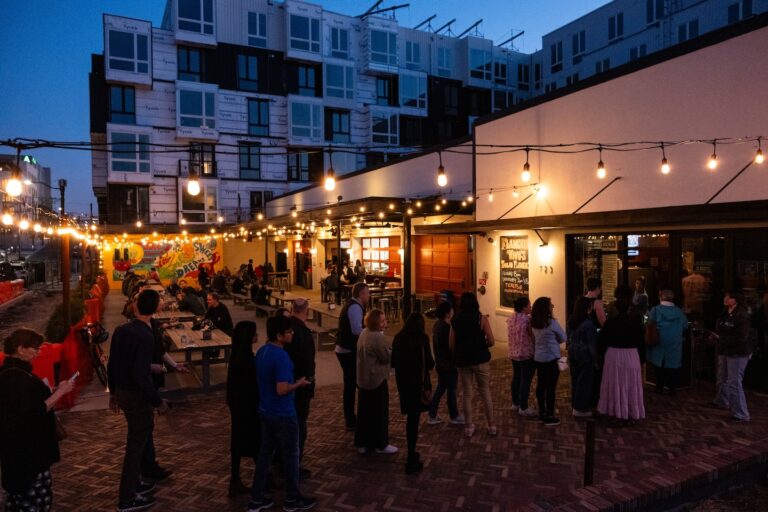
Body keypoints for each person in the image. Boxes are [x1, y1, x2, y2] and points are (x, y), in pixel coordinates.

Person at [108, 289, 170, 512]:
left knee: (137, 441)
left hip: (122, 392)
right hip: (136, 396)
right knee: (135, 447)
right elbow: (140, 375)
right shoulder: (146, 336)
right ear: (155, 309)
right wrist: (158, 401)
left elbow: (113, 363)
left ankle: (136, 484)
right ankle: (127, 498)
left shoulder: (121, 330)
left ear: (136, 306)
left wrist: (113, 393)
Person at [0, 329, 76, 511]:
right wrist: (60, 392)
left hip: (22, 453)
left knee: (22, 501)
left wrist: (54, 389)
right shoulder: (14, 376)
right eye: (35, 348)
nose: (39, 352)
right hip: (27, 454)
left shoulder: (14, 372)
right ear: (21, 349)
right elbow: (32, 411)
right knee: (35, 500)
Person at [248, 315, 315, 512]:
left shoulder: (262, 352)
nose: (292, 333)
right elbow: (282, 389)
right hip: (283, 413)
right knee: (292, 456)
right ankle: (292, 499)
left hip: (266, 410)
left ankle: (256, 498)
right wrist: (299, 384)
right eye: (289, 331)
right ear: (279, 335)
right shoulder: (281, 357)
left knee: (265, 455)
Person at [449, 292, 497, 437]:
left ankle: (469, 427)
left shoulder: (455, 320)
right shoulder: (481, 319)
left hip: (463, 361)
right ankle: (491, 425)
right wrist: (483, 345)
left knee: (467, 393)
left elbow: (451, 345)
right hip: (480, 359)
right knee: (485, 391)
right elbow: (491, 340)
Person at [391, 312, 434, 474]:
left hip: (404, 384)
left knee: (411, 417)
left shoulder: (398, 338)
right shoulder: (422, 339)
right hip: (418, 384)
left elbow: (393, 362)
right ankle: (411, 456)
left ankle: (411, 453)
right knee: (413, 420)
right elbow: (430, 363)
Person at [597, 284, 646, 425]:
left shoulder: (611, 321)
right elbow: (641, 340)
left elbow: (602, 340)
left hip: (614, 354)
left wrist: (600, 355)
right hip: (632, 355)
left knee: (615, 384)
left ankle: (616, 412)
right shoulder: (636, 319)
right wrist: (642, 359)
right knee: (630, 385)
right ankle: (629, 413)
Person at [226, 321, 260, 497]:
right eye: (254, 333)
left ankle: (236, 478)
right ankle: (263, 476)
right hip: (247, 404)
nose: (257, 336)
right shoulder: (246, 358)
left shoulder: (238, 354)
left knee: (240, 440)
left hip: (238, 403)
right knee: (255, 439)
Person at [355, 309, 397, 454]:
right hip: (376, 379)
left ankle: (363, 443)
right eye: (382, 321)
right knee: (379, 413)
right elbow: (385, 357)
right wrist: (390, 350)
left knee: (364, 413)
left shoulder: (364, 332)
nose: (385, 323)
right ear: (375, 322)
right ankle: (381, 444)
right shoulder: (377, 337)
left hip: (363, 379)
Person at [284, 298, 316, 478]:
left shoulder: (288, 328)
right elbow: (307, 360)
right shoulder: (302, 332)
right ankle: (294, 464)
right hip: (300, 384)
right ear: (307, 310)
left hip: (289, 383)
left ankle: (286, 461)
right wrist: (308, 381)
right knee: (298, 426)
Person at [711, 290, 752, 422]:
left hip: (737, 352)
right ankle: (722, 401)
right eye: (726, 296)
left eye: (729, 297)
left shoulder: (742, 315)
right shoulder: (725, 313)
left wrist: (722, 338)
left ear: (736, 300)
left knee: (734, 382)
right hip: (724, 350)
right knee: (722, 378)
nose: (726, 299)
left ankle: (741, 413)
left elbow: (741, 337)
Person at [336, 282, 369, 430]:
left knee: (350, 385)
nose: (369, 295)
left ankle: (351, 418)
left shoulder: (353, 305)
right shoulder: (355, 307)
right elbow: (356, 330)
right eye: (367, 293)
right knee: (352, 385)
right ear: (361, 294)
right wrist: (372, 332)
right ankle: (351, 419)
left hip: (344, 348)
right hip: (347, 350)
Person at [531, 297, 567, 426]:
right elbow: (563, 337)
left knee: (541, 385)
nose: (553, 306)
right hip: (552, 357)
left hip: (539, 358)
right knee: (551, 387)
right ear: (545, 308)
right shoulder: (551, 323)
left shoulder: (534, 323)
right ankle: (550, 415)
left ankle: (542, 412)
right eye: (550, 305)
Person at [427, 302, 464, 425]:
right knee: (451, 390)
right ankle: (454, 415)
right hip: (448, 363)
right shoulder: (447, 327)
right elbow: (451, 346)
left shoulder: (437, 325)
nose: (453, 311)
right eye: (451, 309)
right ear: (447, 313)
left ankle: (432, 414)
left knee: (441, 388)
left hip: (440, 363)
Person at [646, 290, 688, 395]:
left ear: (661, 297)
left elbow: (649, 323)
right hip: (674, 342)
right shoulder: (679, 312)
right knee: (673, 366)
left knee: (659, 366)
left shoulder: (655, 310)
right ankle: (672, 389)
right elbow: (685, 326)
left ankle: (659, 387)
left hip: (659, 342)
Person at [507, 296, 538, 417]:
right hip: (526, 354)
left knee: (516, 378)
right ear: (524, 307)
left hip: (514, 353)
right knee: (525, 380)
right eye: (529, 305)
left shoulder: (511, 318)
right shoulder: (527, 320)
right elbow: (532, 336)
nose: (531, 307)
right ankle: (524, 407)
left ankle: (515, 403)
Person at [567, 297, 598, 418]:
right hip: (585, 356)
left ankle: (575, 405)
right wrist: (595, 360)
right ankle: (580, 408)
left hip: (573, 353)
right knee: (584, 382)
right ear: (587, 308)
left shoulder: (572, 320)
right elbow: (592, 345)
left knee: (575, 381)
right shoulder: (589, 324)